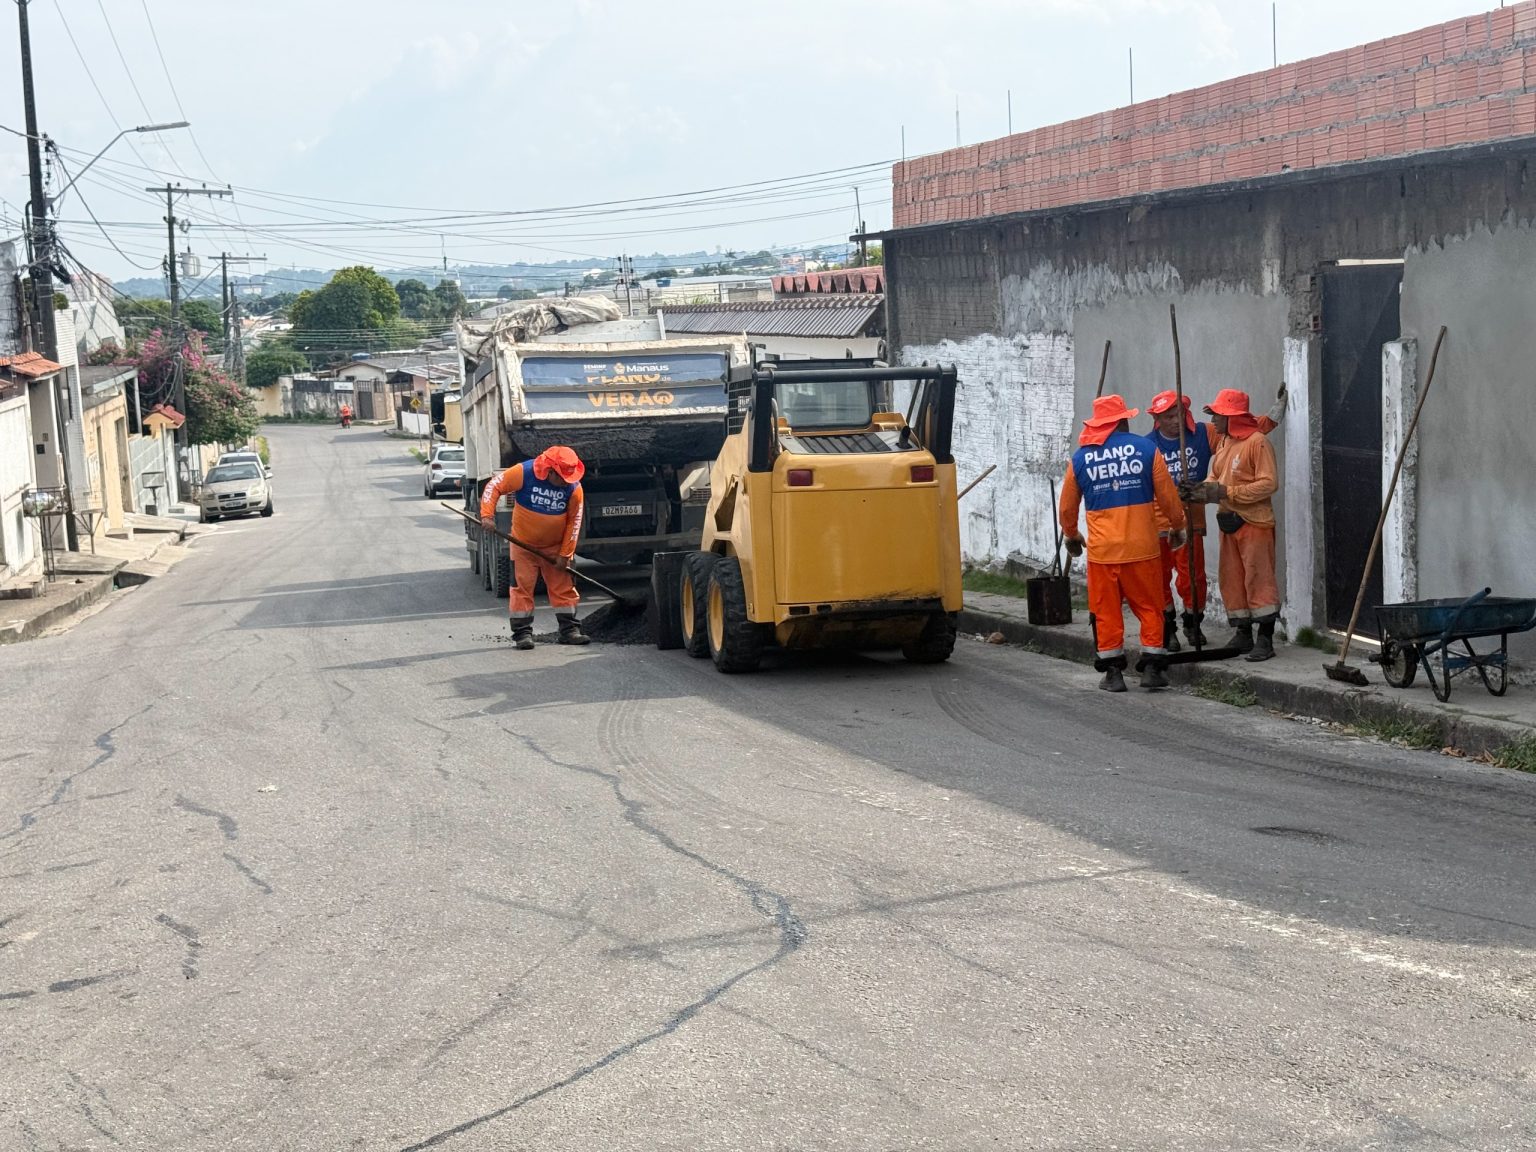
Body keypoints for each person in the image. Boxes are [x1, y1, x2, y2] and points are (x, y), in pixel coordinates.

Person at [1060, 394, 1187, 692]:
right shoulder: (1147, 449)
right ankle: (1153, 669)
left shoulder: (1080, 458)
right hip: (1142, 549)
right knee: (1150, 607)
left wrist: (1072, 534)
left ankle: (1113, 673)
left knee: (1106, 612)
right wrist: (1177, 526)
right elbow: (1168, 498)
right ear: (1122, 421)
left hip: (1103, 554)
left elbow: (1067, 508)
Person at [1145, 388, 1283, 652]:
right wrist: (1203, 489)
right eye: (1168, 416)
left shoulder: (1238, 440)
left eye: (1218, 415)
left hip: (1240, 521)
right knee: (1229, 579)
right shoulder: (1221, 442)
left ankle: (1258, 637)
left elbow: (1267, 478)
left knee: (1249, 578)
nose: (1214, 420)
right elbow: (1215, 475)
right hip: (1200, 522)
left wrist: (1222, 492)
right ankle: (1235, 632)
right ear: (1157, 419)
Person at [479, 445, 589, 650]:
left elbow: (574, 523)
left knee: (563, 588)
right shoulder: (524, 472)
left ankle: (570, 631)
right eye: (562, 477)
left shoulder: (574, 488)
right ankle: (522, 634)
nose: (566, 481)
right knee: (521, 588)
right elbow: (494, 487)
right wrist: (487, 515)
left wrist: (565, 554)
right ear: (550, 470)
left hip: (555, 548)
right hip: (523, 546)